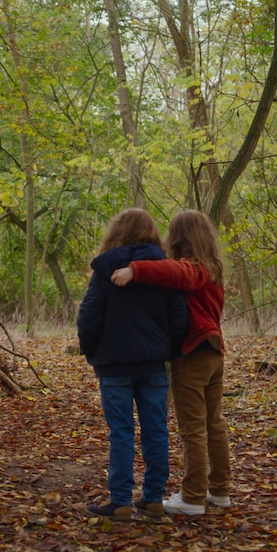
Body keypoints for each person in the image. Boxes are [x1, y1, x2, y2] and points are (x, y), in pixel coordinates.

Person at [111, 209, 231, 515]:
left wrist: (135, 270)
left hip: (194, 355)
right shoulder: (213, 268)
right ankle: (219, 491)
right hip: (214, 353)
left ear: (178, 237)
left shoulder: (193, 268)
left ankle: (192, 497)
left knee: (194, 428)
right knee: (214, 425)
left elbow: (177, 273)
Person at [77, 208, 189, 521]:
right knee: (156, 429)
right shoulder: (164, 272)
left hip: (114, 366)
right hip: (153, 364)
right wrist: (168, 350)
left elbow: (88, 318)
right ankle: (153, 498)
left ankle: (121, 500)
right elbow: (179, 318)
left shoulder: (105, 273)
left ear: (115, 234)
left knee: (122, 433)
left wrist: (93, 353)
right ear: (152, 235)